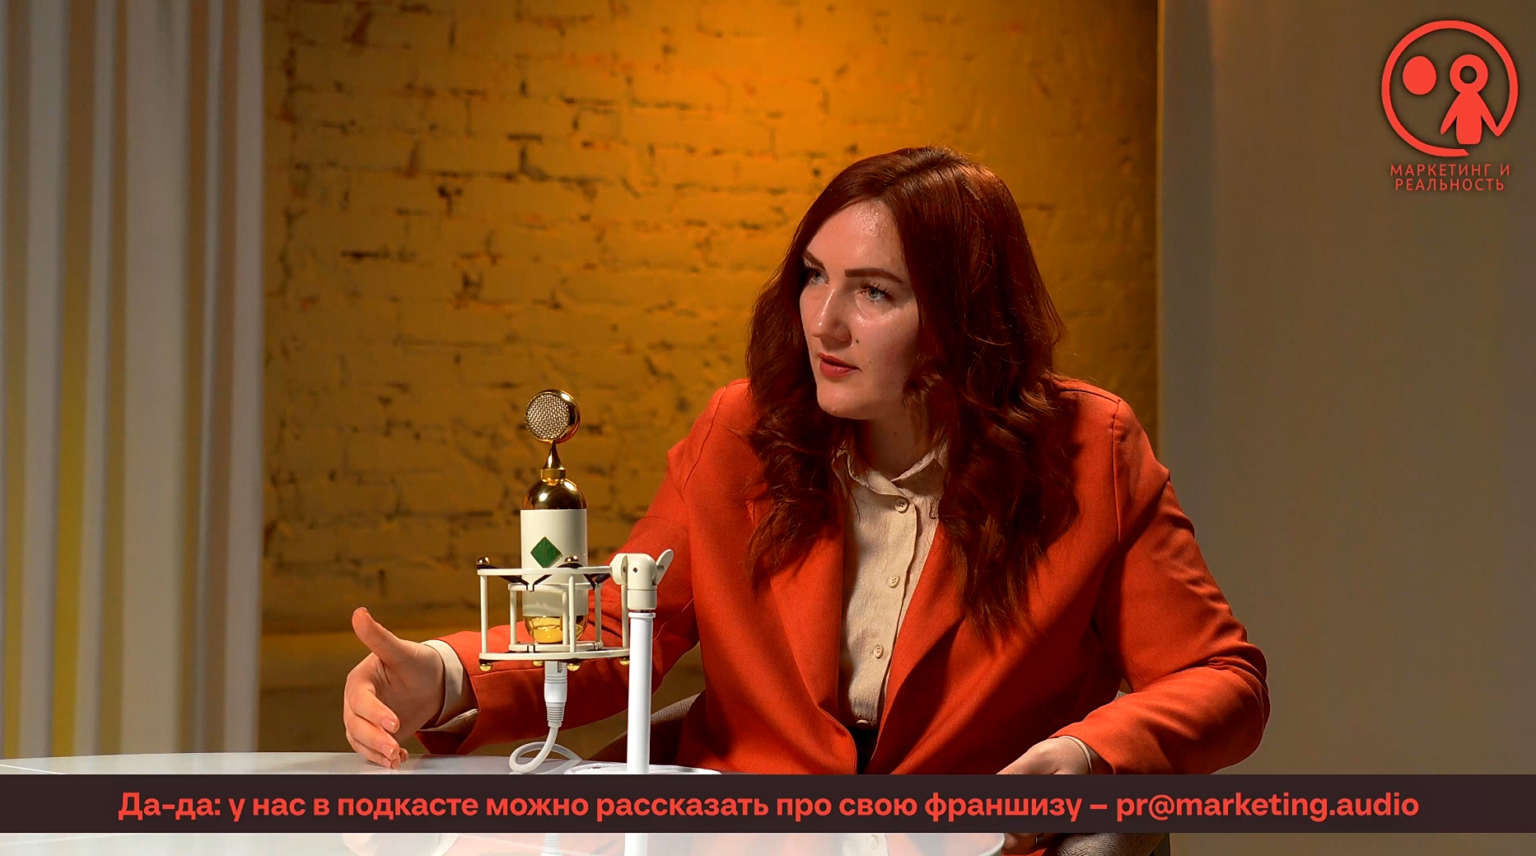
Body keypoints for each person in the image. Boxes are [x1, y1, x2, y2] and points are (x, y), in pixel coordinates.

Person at [342, 146, 1269, 850]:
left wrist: (1085, 756)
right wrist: (446, 676)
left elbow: (1221, 680)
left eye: (875, 293)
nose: (824, 321)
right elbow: (624, 624)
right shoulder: (740, 430)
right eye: (814, 277)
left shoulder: (1091, 449)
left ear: (967, 316)